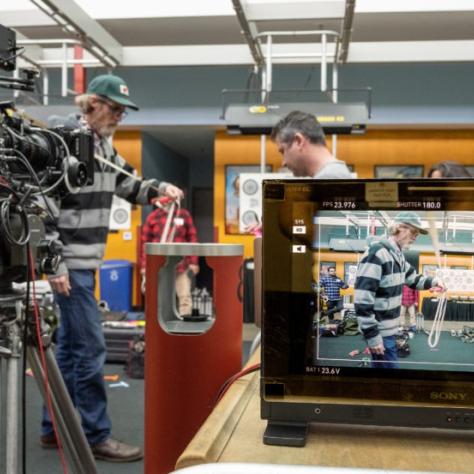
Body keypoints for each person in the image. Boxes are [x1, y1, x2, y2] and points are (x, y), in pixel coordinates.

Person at [40, 74, 183, 462]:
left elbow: (130, 184)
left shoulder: (101, 146)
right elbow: (43, 207)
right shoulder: (67, 143)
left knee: (70, 348)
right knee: (90, 348)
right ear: (92, 104)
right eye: (114, 108)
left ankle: (54, 427)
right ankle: (95, 434)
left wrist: (159, 189)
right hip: (70, 265)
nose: (120, 115)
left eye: (123, 110)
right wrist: (54, 264)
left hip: (84, 264)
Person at [354, 211, 445, 369]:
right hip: (380, 332)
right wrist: (372, 336)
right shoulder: (377, 253)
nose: (416, 236)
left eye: (418, 233)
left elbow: (414, 279)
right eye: (413, 231)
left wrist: (435, 281)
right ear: (398, 228)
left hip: (390, 330)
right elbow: (362, 300)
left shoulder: (398, 255)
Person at [140, 197, 199, 317]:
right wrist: (144, 266)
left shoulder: (183, 215)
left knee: (185, 297)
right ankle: (157, 325)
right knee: (158, 298)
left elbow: (192, 238)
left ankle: (185, 326)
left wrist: (194, 262)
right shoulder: (152, 217)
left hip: (181, 265)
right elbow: (144, 244)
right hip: (159, 266)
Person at [270, 110, 352, 178]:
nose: (283, 163)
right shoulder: (333, 174)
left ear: (299, 141)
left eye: (283, 151)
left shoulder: (329, 179)